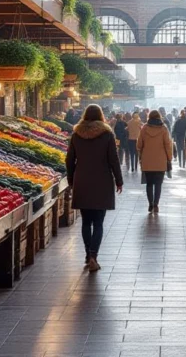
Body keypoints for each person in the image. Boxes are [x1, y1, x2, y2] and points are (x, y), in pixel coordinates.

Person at [66, 105, 123, 271]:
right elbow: (114, 160)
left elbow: (69, 160)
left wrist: (71, 179)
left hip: (82, 181)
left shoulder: (76, 134)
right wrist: (119, 180)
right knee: (98, 222)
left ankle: (87, 254)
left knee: (85, 221)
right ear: (101, 116)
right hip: (102, 181)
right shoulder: (107, 135)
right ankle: (93, 255)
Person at [137, 109, 173, 214]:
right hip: (161, 161)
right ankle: (156, 204)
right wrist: (169, 158)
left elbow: (139, 145)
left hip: (147, 160)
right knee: (158, 184)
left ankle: (150, 203)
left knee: (149, 184)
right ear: (159, 117)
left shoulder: (144, 129)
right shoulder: (164, 129)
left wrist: (141, 154)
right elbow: (168, 145)